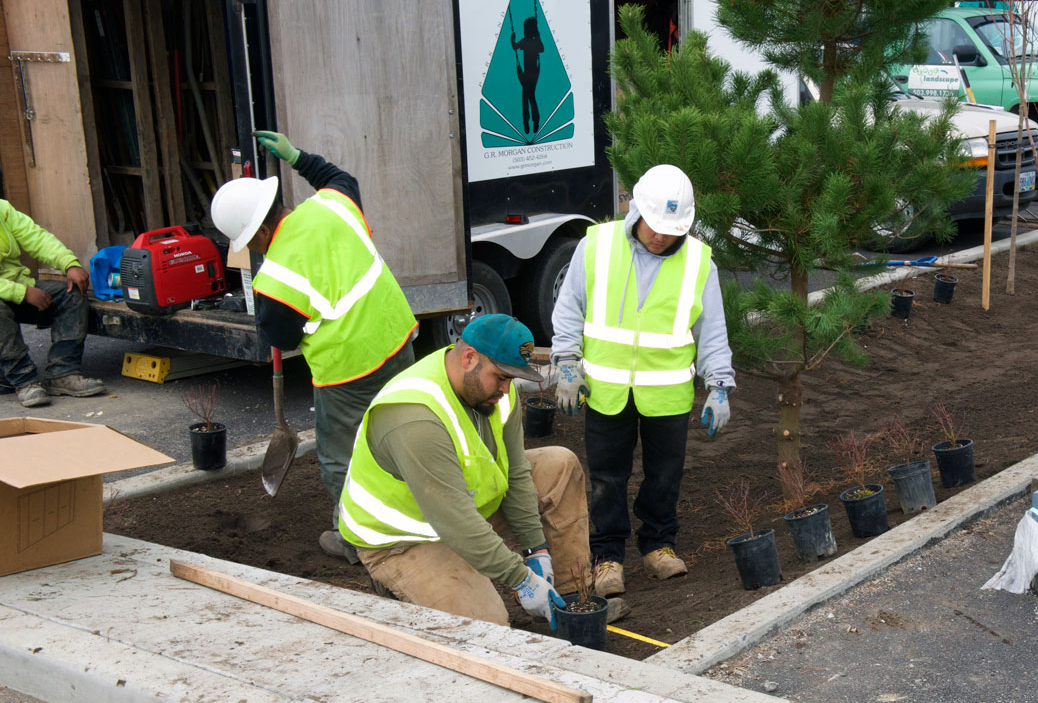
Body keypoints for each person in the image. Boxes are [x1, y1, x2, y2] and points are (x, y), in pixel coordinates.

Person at [209, 131, 417, 564]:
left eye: (250, 241)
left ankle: (358, 540)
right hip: (397, 339)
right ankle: (420, 519)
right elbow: (339, 177)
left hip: (349, 368)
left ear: (262, 230)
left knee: (341, 457)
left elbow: (280, 337)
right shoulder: (331, 204)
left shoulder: (276, 277)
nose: (251, 249)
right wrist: (298, 157)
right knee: (404, 434)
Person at [337, 314, 606, 629]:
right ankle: (406, 592)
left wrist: (537, 550)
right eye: (501, 377)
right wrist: (522, 579)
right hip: (405, 539)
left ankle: (569, 604)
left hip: (464, 508)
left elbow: (516, 471)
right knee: (487, 629)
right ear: (468, 358)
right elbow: (455, 520)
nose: (507, 389)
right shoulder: (415, 417)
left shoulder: (494, 393)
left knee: (558, 464)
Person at [550, 164, 735, 599]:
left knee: (664, 475)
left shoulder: (698, 261)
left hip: (667, 393)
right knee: (607, 478)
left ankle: (658, 546)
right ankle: (608, 557)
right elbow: (570, 307)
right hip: (606, 390)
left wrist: (720, 385)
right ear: (636, 211)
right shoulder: (595, 246)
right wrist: (566, 363)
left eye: (673, 229)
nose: (662, 237)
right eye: (655, 226)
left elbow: (712, 329)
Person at [0, 199, 106, 407]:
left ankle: (63, 373)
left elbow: (37, 238)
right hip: (13, 292)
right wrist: (22, 293)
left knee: (71, 294)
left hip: (17, 286)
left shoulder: (2, 209)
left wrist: (69, 264)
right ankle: (24, 382)